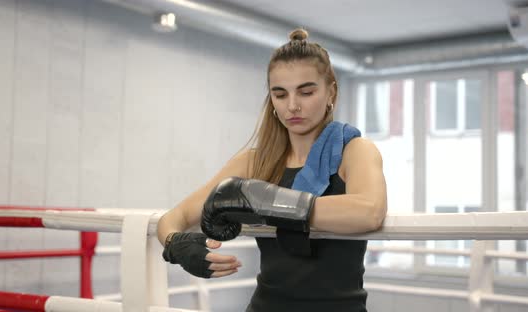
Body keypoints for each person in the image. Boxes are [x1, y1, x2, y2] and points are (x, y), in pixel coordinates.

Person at [157, 28, 387, 312]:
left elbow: (370, 211)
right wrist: (177, 244)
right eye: (280, 94)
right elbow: (174, 217)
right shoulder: (255, 162)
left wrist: (264, 201)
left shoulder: (354, 151)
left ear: (332, 92)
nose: (292, 105)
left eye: (306, 91)